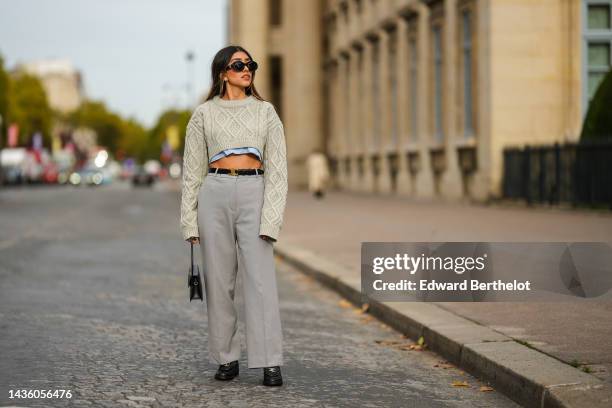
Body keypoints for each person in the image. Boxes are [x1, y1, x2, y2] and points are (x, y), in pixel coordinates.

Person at [180, 45, 288, 386]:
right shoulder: (203, 114)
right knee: (219, 281)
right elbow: (192, 172)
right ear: (223, 73)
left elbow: (279, 171)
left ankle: (270, 361)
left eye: (250, 64)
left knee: (260, 283)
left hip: (255, 192)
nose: (247, 69)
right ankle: (226, 358)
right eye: (238, 65)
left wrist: (272, 218)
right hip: (214, 192)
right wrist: (189, 220)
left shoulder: (266, 112)